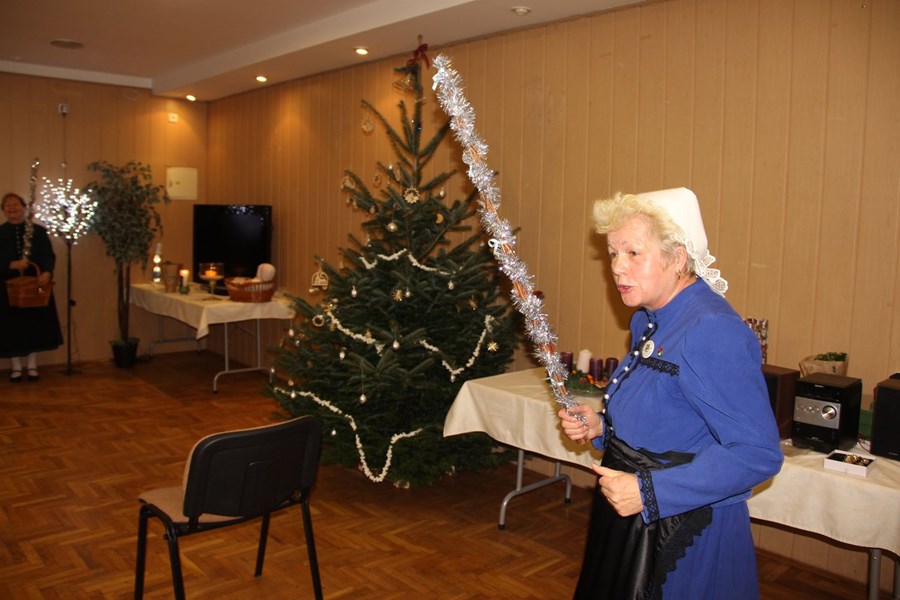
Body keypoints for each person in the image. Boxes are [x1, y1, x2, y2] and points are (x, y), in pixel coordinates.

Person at [558, 188, 783, 599]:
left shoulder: (712, 330)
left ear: (677, 258)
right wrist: (602, 425)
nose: (617, 268)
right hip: (633, 515)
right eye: (613, 253)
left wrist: (650, 493)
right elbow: (668, 415)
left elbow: (757, 452)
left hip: (683, 530)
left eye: (633, 253)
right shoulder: (648, 319)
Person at [1, 192, 63, 382]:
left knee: (35, 326)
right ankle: (16, 367)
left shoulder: (38, 231)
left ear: (24, 208)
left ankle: (32, 366)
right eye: (8, 205)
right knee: (11, 327)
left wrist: (47, 272)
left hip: (36, 285)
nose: (12, 208)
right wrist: (10, 265)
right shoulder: (0, 233)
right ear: (3, 210)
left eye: (16, 204)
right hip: (8, 287)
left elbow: (48, 255)